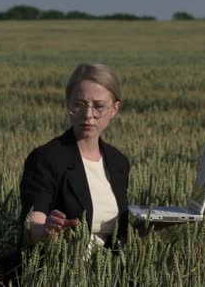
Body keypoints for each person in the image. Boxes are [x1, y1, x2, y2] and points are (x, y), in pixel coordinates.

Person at [20, 63, 130, 248]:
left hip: (111, 272)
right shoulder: (45, 158)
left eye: (99, 106)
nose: (88, 114)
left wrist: (151, 224)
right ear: (68, 103)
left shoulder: (118, 161)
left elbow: (119, 231)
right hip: (60, 271)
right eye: (79, 105)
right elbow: (33, 224)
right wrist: (45, 230)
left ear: (114, 109)